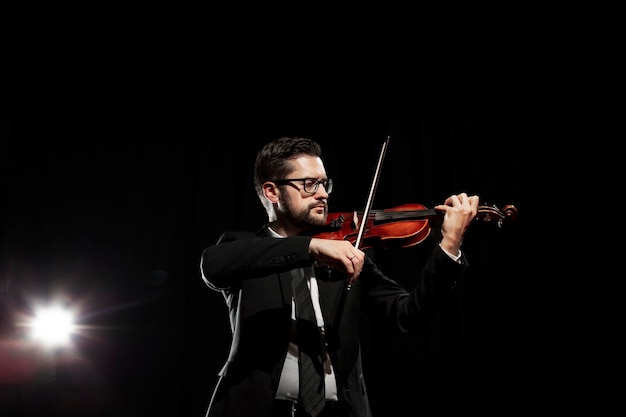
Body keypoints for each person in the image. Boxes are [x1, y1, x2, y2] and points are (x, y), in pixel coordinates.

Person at [199, 136, 479, 417]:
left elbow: (408, 316)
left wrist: (450, 244)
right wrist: (310, 247)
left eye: (324, 183)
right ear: (272, 191)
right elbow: (214, 264)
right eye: (309, 184)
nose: (323, 194)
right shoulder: (244, 250)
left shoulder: (348, 251)